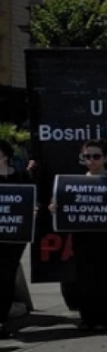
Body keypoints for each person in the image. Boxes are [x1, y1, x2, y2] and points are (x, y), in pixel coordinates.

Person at [50, 140, 107, 333]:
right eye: (87, 156)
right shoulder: (74, 182)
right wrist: (54, 208)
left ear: (106, 158)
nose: (91, 160)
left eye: (96, 156)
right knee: (85, 279)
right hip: (83, 238)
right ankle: (87, 318)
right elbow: (61, 205)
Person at [0, 140, 33, 339]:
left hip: (15, 237)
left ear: (5, 155)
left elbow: (29, 199)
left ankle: (2, 320)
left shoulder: (20, 176)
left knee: (6, 277)